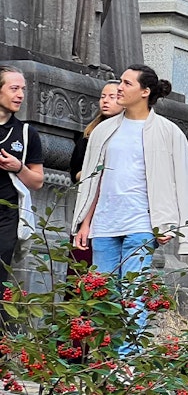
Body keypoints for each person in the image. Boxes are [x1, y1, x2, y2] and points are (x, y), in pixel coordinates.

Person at [72, 65, 188, 357]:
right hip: (104, 224)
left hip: (142, 224)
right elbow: (93, 180)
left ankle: (127, 361)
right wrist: (84, 222)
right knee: (102, 294)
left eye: (126, 83)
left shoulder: (168, 132)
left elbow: (184, 181)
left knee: (133, 293)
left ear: (145, 91)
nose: (119, 89)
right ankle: (106, 359)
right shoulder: (104, 130)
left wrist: (176, 228)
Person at [68, 79, 123, 267]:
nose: (105, 101)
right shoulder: (90, 134)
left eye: (112, 97)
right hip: (89, 203)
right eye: (103, 96)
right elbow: (74, 172)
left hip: (117, 210)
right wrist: (92, 174)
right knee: (82, 268)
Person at [0, 67, 44, 291]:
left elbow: (37, 181)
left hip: (7, 215)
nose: (20, 95)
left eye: (23, 90)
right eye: (14, 88)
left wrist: (18, 167)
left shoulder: (26, 133)